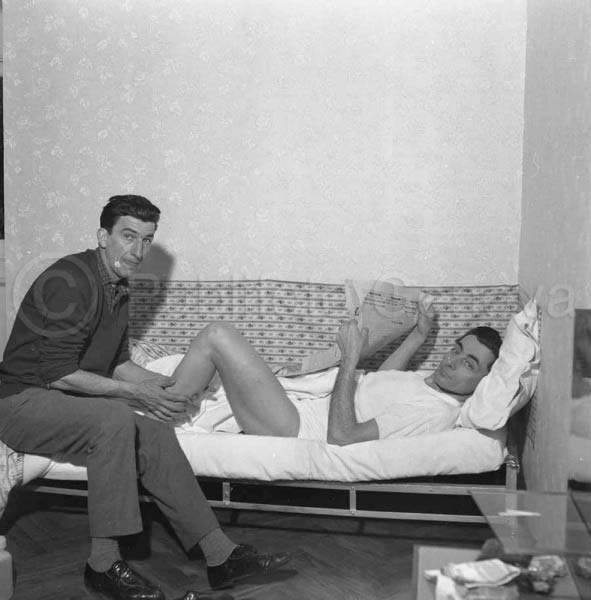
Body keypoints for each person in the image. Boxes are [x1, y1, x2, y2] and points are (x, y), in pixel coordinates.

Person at [0, 195, 291, 600]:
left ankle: (220, 555)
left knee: (153, 430)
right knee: (113, 420)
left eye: (147, 239)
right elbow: (57, 373)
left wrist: (163, 388)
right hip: (20, 402)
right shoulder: (68, 280)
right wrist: (136, 394)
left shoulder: (119, 287)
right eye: (128, 236)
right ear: (103, 236)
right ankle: (102, 564)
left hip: (58, 399)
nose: (138, 250)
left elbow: (118, 363)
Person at [161, 299, 502, 445]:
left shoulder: (435, 411)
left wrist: (350, 359)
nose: (452, 361)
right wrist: (419, 334)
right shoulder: (431, 385)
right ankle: (157, 410)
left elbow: (342, 436)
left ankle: (156, 419)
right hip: (298, 406)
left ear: (484, 382)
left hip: (298, 427)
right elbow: (383, 382)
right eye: (456, 349)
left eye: (469, 364)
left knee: (218, 336)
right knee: (214, 351)